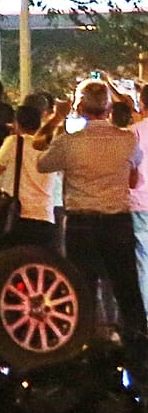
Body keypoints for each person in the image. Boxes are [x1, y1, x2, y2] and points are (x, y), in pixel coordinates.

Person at [36, 81, 144, 336]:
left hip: (81, 223)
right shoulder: (127, 140)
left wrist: (57, 119)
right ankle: (137, 343)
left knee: (82, 288)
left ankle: (84, 340)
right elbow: (133, 177)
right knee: (127, 288)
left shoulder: (69, 142)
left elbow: (41, 158)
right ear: (109, 108)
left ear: (80, 107)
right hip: (118, 221)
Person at [0, 104, 57, 253]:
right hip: (45, 216)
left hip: (17, 215)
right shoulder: (50, 146)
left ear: (17, 123)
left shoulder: (15, 142)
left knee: (10, 260)